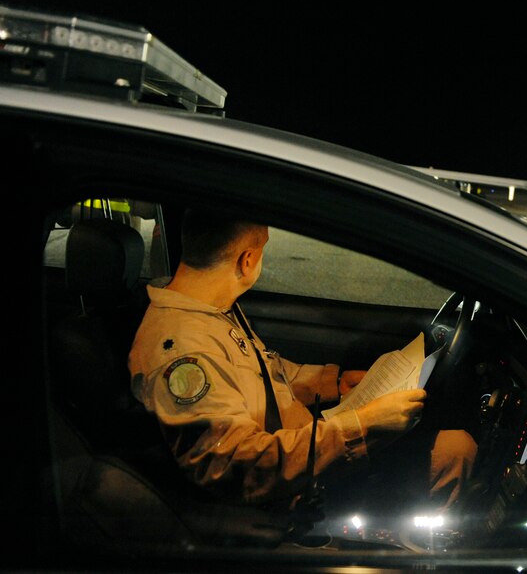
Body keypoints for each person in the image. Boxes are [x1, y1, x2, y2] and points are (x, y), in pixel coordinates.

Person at [128, 209, 476, 517]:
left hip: (303, 449)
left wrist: (334, 383)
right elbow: (234, 465)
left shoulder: (209, 310)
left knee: (450, 444)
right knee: (454, 450)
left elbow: (263, 371)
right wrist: (361, 425)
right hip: (290, 494)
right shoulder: (183, 350)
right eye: (263, 249)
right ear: (246, 261)